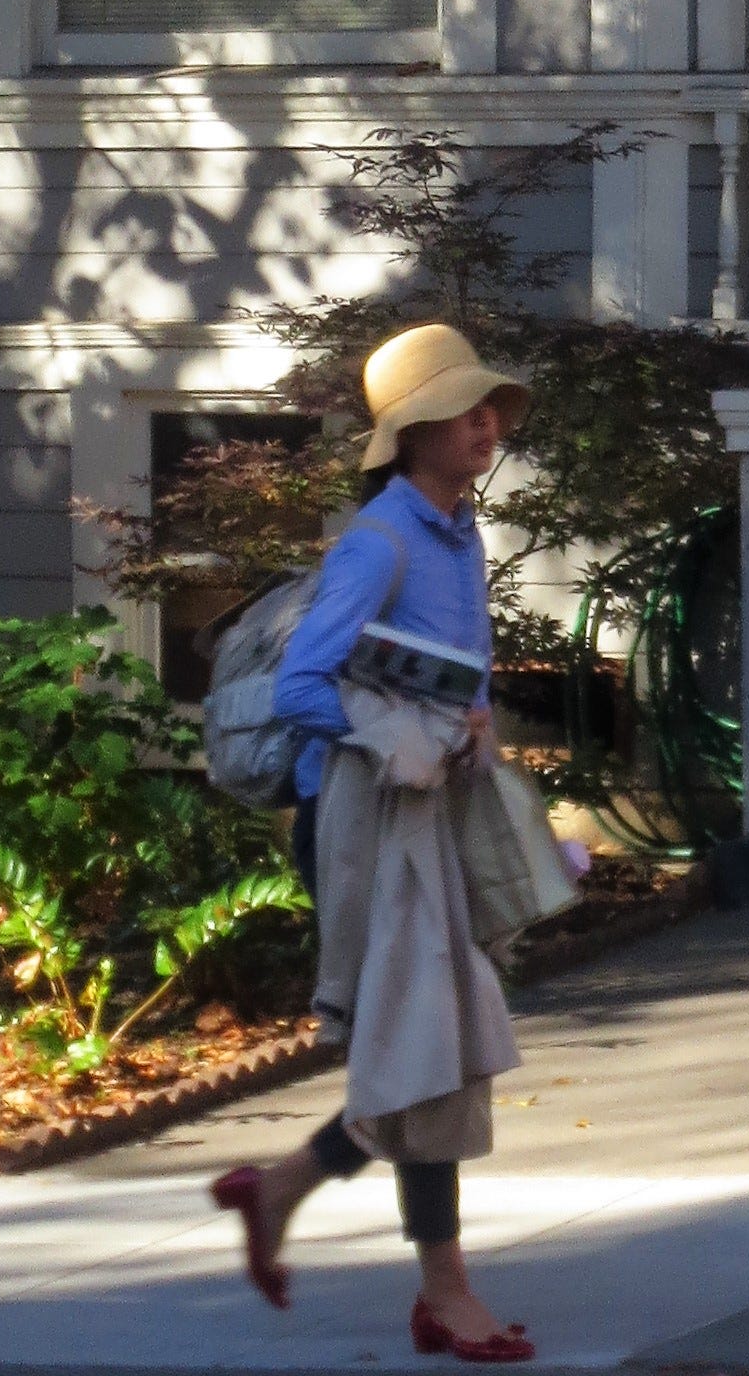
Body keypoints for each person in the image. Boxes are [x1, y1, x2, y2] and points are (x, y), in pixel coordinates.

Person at [212, 322, 537, 1365]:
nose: (486, 422)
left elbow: (447, 677)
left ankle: (280, 1191)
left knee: (428, 1053)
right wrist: (399, 738)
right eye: (466, 409)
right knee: (426, 1054)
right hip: (359, 827)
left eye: (491, 406)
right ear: (413, 434)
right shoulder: (380, 543)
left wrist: (468, 724)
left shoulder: (457, 534)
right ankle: (444, 1293)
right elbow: (306, 686)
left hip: (429, 818)